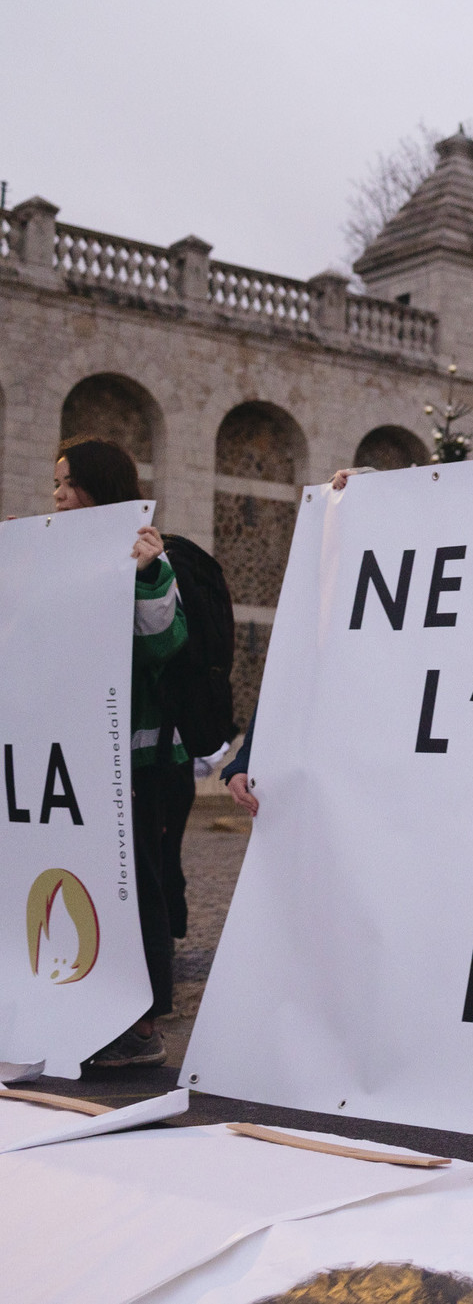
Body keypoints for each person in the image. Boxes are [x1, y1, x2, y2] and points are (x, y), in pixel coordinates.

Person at [52, 439, 188, 1069]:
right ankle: (75, 1006)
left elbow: (166, 645)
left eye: (66, 483)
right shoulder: (58, 554)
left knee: (136, 890)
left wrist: (148, 574)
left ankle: (140, 1027)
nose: (55, 494)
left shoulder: (146, 557)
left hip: (137, 766)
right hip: (72, 764)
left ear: (97, 487)